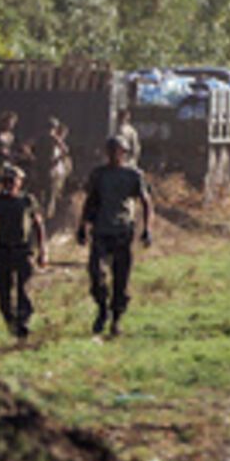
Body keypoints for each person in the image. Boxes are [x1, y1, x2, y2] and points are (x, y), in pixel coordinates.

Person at [77, 136, 154, 337]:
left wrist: (147, 229)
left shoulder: (133, 175)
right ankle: (102, 309)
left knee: (121, 280)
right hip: (101, 231)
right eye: (110, 150)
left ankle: (116, 320)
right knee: (96, 275)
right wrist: (82, 226)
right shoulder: (98, 175)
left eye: (117, 150)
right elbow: (90, 200)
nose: (113, 154)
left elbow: (146, 202)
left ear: (124, 153)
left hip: (122, 231)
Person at [0, 165, 48, 338]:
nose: (10, 184)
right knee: (3, 293)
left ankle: (23, 323)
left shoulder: (27, 201)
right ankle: (11, 323)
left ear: (20, 182)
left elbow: (39, 225)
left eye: (13, 181)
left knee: (24, 289)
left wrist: (43, 251)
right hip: (2, 251)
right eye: (6, 181)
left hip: (23, 251)